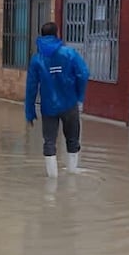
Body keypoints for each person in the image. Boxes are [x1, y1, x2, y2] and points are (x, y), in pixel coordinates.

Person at [24, 22, 89, 178]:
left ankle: (52, 180)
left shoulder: (37, 59)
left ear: (41, 35)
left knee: (49, 141)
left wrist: (30, 112)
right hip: (69, 104)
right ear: (57, 34)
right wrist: (79, 95)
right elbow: (84, 74)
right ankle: (72, 172)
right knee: (73, 138)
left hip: (48, 107)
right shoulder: (69, 53)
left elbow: (31, 87)